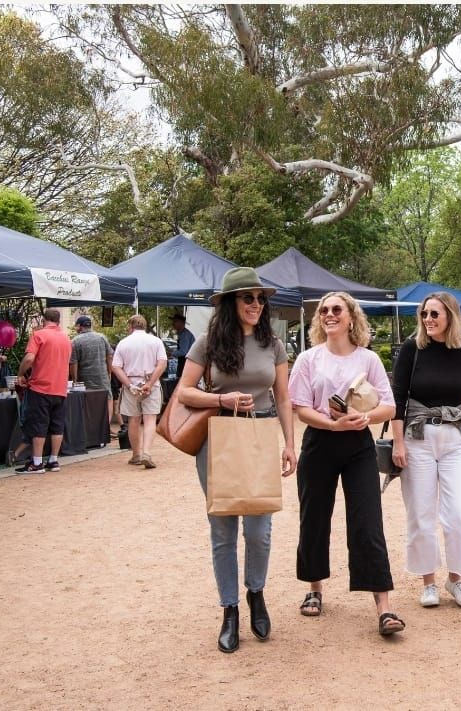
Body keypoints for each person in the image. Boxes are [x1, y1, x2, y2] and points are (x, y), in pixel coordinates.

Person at [177, 267, 296, 653]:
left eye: (261, 298)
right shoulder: (207, 344)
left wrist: (290, 444)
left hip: (261, 435)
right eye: (248, 298)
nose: (257, 304)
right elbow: (184, 393)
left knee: (259, 531)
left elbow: (283, 397)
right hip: (220, 439)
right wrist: (221, 400)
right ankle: (229, 609)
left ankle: (255, 593)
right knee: (223, 531)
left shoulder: (273, 343)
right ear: (231, 303)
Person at [287, 291, 404, 636]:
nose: (329, 314)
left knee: (368, 522)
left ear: (351, 317)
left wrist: (361, 417)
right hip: (320, 442)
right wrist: (332, 423)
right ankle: (314, 588)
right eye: (324, 310)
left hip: (358, 445)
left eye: (336, 309)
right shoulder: (308, 359)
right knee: (314, 518)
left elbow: (390, 406)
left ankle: (384, 606)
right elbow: (301, 407)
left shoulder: (368, 359)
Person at [388, 291, 461, 611]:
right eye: (425, 314)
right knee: (421, 513)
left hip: (455, 439)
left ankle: (456, 578)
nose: (428, 320)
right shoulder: (413, 349)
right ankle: (428, 582)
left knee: (460, 512)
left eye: (435, 314)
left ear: (450, 315)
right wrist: (398, 443)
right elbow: (397, 398)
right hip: (418, 438)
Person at [15, 309, 72, 473]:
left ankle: (37, 462)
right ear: (58, 321)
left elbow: (29, 358)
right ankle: (54, 460)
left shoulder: (38, 335)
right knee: (57, 425)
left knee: (39, 424)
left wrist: (20, 373)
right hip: (60, 387)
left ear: (43, 319)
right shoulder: (66, 338)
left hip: (41, 387)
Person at [111, 315, 167, 469]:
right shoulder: (156, 341)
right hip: (151, 383)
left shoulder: (124, 343)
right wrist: (150, 383)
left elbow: (116, 366)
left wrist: (129, 385)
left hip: (131, 384)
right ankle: (147, 453)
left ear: (131, 326)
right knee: (150, 419)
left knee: (133, 420)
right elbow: (162, 363)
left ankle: (136, 454)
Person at [69, 315, 116, 433]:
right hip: (102, 376)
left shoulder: (75, 341)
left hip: (85, 378)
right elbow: (110, 355)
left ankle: (89, 430)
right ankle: (105, 427)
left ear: (80, 326)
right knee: (108, 399)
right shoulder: (102, 337)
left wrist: (75, 380)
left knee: (87, 403)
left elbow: (73, 363)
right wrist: (109, 372)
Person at [170, 313, 195, 379]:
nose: (173, 323)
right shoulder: (183, 334)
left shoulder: (185, 335)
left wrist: (171, 353)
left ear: (181, 323)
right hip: (185, 363)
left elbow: (183, 352)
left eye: (175, 321)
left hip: (186, 364)